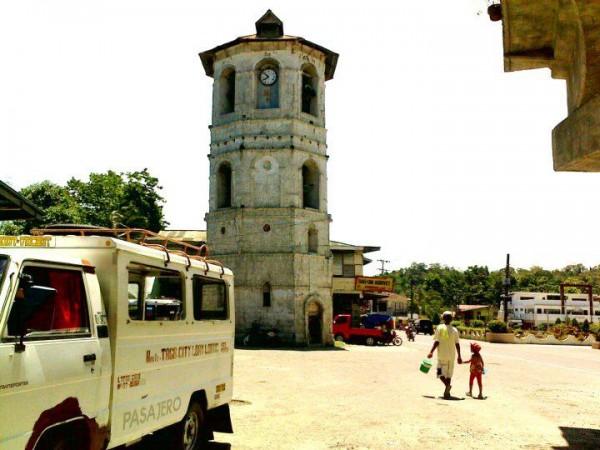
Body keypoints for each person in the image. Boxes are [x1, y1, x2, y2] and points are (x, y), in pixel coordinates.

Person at [427, 311, 462, 399]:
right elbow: (457, 344)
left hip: (442, 355)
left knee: (439, 373)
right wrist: (459, 356)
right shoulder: (455, 330)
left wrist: (431, 351)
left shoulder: (440, 328)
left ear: (443, 318)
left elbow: (437, 341)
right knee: (449, 374)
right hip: (452, 356)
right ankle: (447, 393)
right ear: (452, 319)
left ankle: (447, 386)